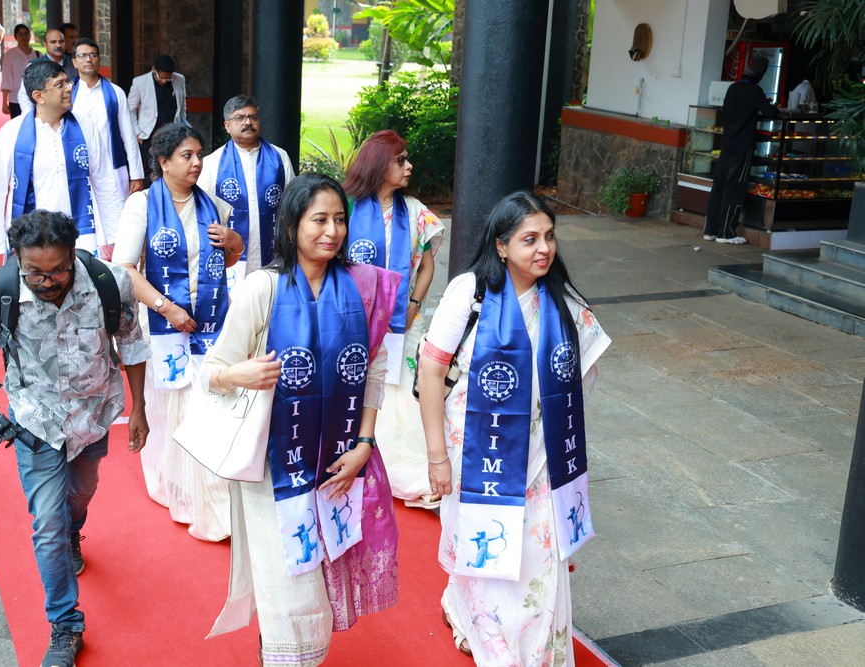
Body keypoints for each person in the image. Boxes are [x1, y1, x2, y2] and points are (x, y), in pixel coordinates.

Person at [199, 173, 400, 666]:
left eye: (339, 220)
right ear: (291, 226)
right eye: (319, 220)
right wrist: (240, 374)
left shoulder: (363, 286)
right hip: (274, 470)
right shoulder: (262, 289)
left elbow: (373, 371)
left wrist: (364, 445)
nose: (332, 231)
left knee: (318, 587)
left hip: (335, 466)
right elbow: (211, 372)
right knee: (293, 591)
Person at [418, 191, 610, 664]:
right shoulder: (470, 293)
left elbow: (585, 371)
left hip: (540, 460)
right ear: (501, 245)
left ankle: (531, 650)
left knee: (535, 563)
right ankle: (493, 643)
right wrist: (437, 457)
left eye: (549, 237)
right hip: (476, 454)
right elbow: (430, 372)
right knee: (485, 553)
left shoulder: (563, 302)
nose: (544, 248)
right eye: (529, 239)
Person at [0, 209, 151, 667]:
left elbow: (131, 344)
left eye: (59, 271)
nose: (48, 282)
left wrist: (140, 408)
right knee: (46, 523)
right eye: (36, 273)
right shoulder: (2, 286)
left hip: (94, 414)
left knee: (81, 492)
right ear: (17, 258)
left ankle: (73, 529)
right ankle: (66, 625)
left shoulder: (108, 283)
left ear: (73, 255)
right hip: (35, 421)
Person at [112, 123, 239, 540]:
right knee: (170, 407)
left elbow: (227, 261)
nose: (197, 162)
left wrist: (235, 242)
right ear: (163, 162)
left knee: (207, 406)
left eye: (199, 154)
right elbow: (125, 268)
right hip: (162, 324)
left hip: (210, 322)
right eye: (187, 155)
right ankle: (175, 484)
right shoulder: (142, 204)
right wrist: (168, 308)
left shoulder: (213, 205)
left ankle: (210, 496)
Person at [343, 130, 444, 508]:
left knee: (404, 393)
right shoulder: (347, 206)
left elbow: (427, 266)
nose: (409, 166)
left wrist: (414, 302)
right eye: (400, 160)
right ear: (377, 165)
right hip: (353, 319)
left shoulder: (415, 211)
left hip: (402, 322)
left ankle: (409, 472)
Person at [0, 59, 124, 276]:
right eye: (60, 85)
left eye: (68, 82)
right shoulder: (12, 132)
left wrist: (119, 240)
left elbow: (105, 183)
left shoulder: (85, 126)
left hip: (79, 237)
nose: (69, 88)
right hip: (31, 238)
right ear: (39, 96)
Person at [198, 95, 295, 287]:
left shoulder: (280, 157)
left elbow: (292, 205)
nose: (248, 122)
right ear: (227, 125)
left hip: (273, 250)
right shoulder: (213, 162)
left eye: (253, 117)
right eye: (240, 118)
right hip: (230, 257)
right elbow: (202, 212)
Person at [703, 56, 783, 245]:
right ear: (761, 73)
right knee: (734, 187)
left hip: (727, 144)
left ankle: (710, 230)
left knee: (719, 186)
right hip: (742, 147)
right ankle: (726, 233)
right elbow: (771, 112)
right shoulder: (755, 91)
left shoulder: (733, 88)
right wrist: (772, 106)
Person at [70, 38, 145, 201]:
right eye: (82, 56)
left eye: (93, 55)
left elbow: (129, 136)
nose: (88, 59)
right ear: (74, 62)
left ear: (99, 60)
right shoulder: (67, 93)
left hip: (111, 169)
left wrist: (136, 174)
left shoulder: (116, 93)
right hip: (77, 169)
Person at [127, 55, 189, 183]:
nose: (164, 81)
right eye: (161, 77)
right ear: (154, 69)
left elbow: (182, 107)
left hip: (173, 135)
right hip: (149, 136)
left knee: (173, 169)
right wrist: (138, 132)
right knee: (153, 172)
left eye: (168, 78)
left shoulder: (179, 79)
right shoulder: (140, 82)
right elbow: (129, 109)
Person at [17, 27, 78, 114]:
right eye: (53, 42)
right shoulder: (34, 66)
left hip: (72, 114)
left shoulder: (75, 63)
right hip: (45, 116)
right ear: (45, 44)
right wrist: (31, 116)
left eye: (61, 41)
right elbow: (24, 95)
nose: (58, 45)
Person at [0, 23, 37, 118]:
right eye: (20, 34)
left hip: (35, 98)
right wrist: (4, 102)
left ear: (30, 35)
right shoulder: (10, 54)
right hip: (15, 99)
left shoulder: (37, 55)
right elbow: (6, 79)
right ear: (16, 37)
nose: (23, 36)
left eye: (25, 33)